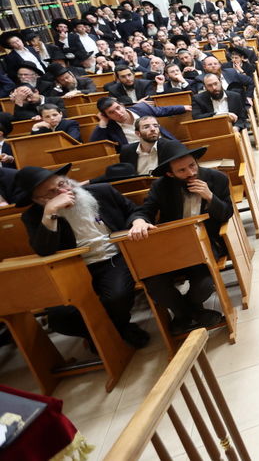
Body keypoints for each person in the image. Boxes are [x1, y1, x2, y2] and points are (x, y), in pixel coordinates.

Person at [16, 163, 150, 348]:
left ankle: (106, 337)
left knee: (116, 298)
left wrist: (138, 221)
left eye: (62, 184)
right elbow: (44, 250)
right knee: (59, 318)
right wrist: (50, 213)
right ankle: (117, 332)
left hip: (112, 257)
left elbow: (135, 210)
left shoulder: (101, 191)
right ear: (38, 200)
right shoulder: (34, 215)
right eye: (51, 193)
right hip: (72, 267)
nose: (63, 192)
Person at [128, 142, 233, 334]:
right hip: (171, 245)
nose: (191, 173)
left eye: (192, 165)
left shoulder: (216, 179)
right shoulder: (161, 186)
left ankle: (183, 315)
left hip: (206, 242)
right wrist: (139, 222)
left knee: (204, 285)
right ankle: (194, 313)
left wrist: (210, 197)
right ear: (170, 174)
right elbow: (145, 210)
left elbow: (227, 214)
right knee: (153, 282)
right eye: (182, 170)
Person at [90, 96, 188, 146]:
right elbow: (96, 145)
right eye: (111, 112)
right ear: (106, 115)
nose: (119, 113)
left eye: (118, 108)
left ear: (122, 105)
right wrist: (103, 123)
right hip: (139, 155)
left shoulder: (141, 108)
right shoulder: (110, 126)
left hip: (163, 144)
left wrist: (183, 107)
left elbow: (162, 110)